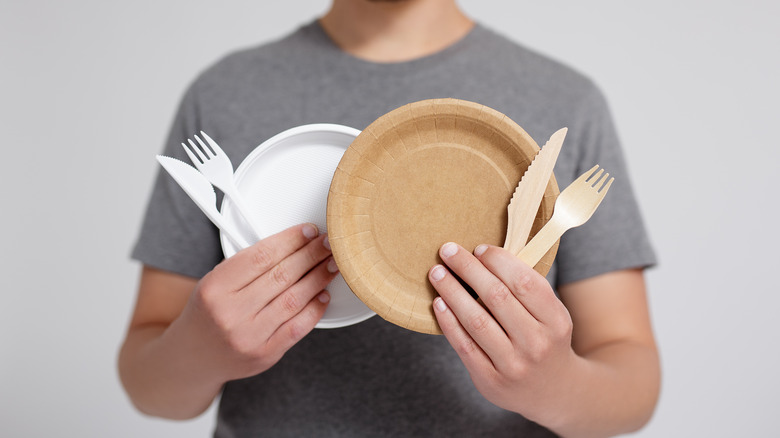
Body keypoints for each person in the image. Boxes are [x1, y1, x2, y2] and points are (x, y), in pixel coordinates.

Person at [119, 1, 660, 436]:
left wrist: (556, 387)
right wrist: (199, 350)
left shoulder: (565, 100)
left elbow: (633, 380)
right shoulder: (225, 93)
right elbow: (149, 386)